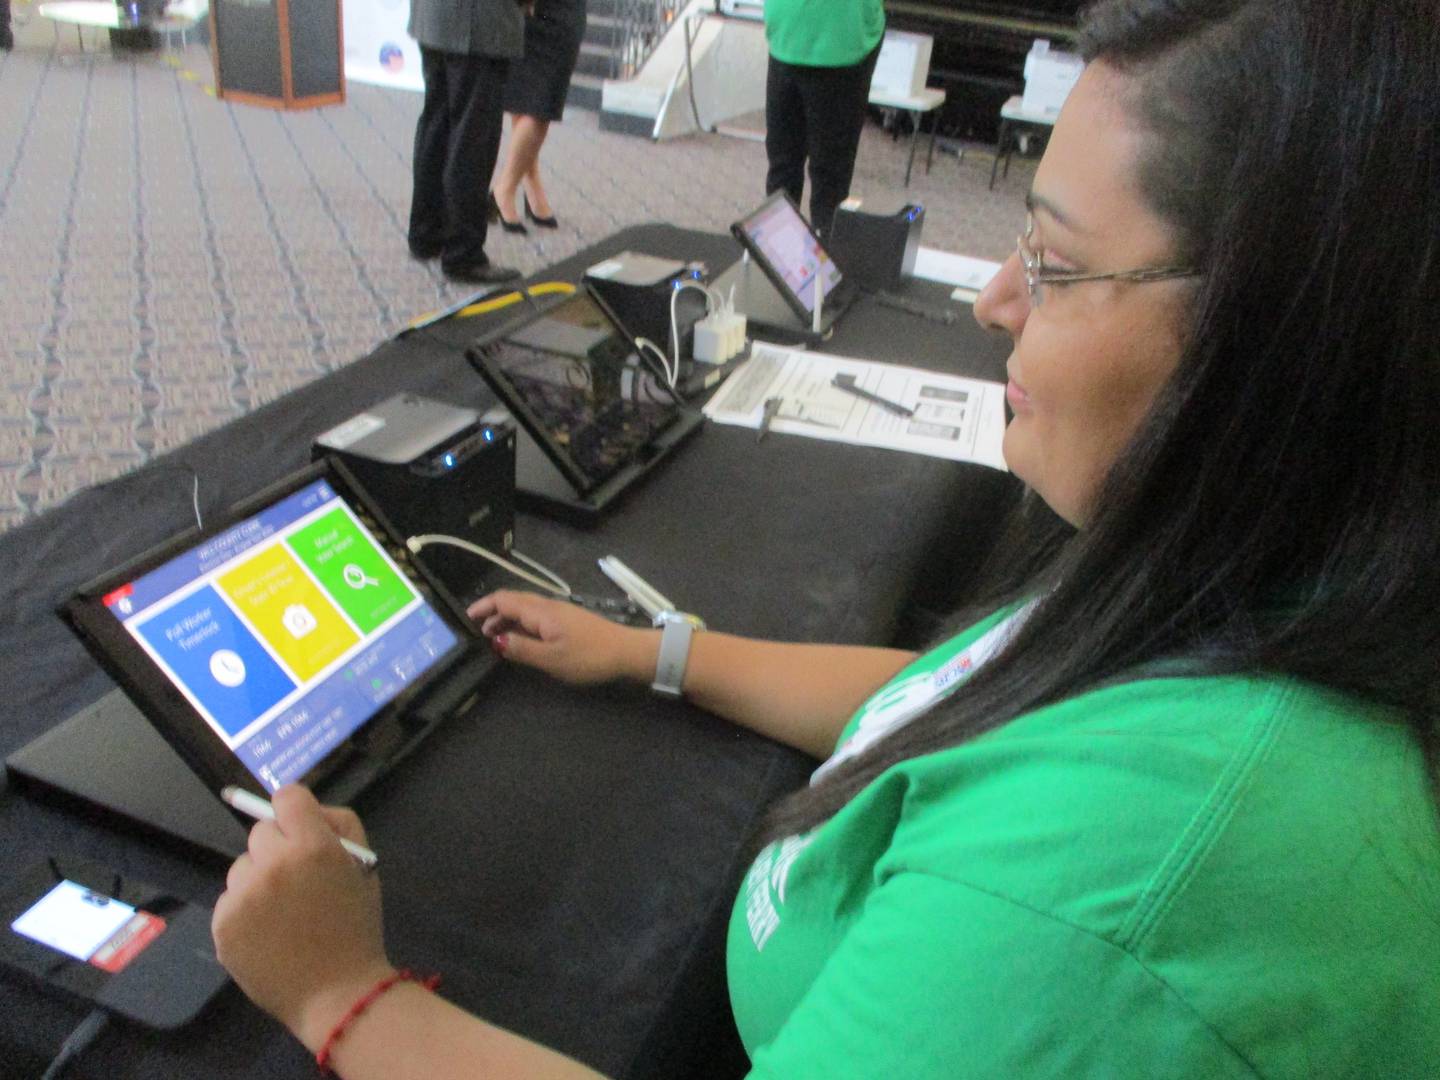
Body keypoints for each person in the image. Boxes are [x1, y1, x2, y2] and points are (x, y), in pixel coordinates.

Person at [211, 0, 1440, 1075]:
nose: (994, 301)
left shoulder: (1115, 909)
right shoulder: (1246, 587)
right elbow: (964, 695)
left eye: (1055, 266)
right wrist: (653, 652)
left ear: (1282, 340)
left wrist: (341, 995)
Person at [405, 0, 525, 284]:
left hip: (434, 17)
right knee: (473, 138)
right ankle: (463, 253)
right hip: (477, 22)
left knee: (437, 125)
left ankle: (426, 234)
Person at [762, 0, 884, 237]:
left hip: (833, 39)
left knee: (808, 172)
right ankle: (793, 257)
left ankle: (800, 259)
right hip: (803, 36)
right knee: (808, 173)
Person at [489, 0, 587, 234]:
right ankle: (511, 188)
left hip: (561, 15)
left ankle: (516, 187)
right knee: (527, 103)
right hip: (522, 12)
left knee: (541, 105)